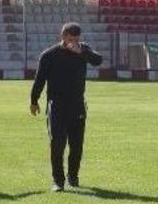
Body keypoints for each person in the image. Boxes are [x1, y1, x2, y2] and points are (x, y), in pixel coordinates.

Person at [30, 22, 103, 192]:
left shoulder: (83, 50)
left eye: (76, 39)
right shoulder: (49, 55)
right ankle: (58, 181)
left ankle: (73, 176)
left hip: (77, 105)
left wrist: (82, 52)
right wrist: (34, 101)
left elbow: (98, 61)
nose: (73, 43)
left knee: (77, 145)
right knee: (57, 143)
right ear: (62, 37)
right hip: (56, 105)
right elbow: (39, 80)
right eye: (70, 39)